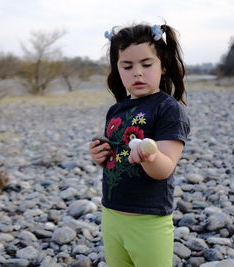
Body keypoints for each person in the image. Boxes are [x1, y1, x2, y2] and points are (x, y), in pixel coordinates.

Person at [89, 23, 190, 267]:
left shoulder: (168, 109)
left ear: (163, 66)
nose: (137, 72)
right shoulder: (116, 109)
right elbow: (115, 159)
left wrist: (150, 156)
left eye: (146, 64)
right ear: (117, 69)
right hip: (112, 213)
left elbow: (165, 168)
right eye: (127, 66)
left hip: (148, 219)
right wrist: (99, 156)